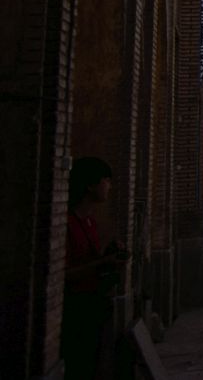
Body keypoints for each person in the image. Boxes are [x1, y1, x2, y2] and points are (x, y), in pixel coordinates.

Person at [63, 157, 124, 380]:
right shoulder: (66, 224)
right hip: (75, 311)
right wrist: (102, 263)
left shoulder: (89, 223)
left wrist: (108, 256)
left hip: (93, 305)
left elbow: (90, 262)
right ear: (90, 185)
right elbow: (60, 275)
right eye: (106, 180)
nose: (109, 186)